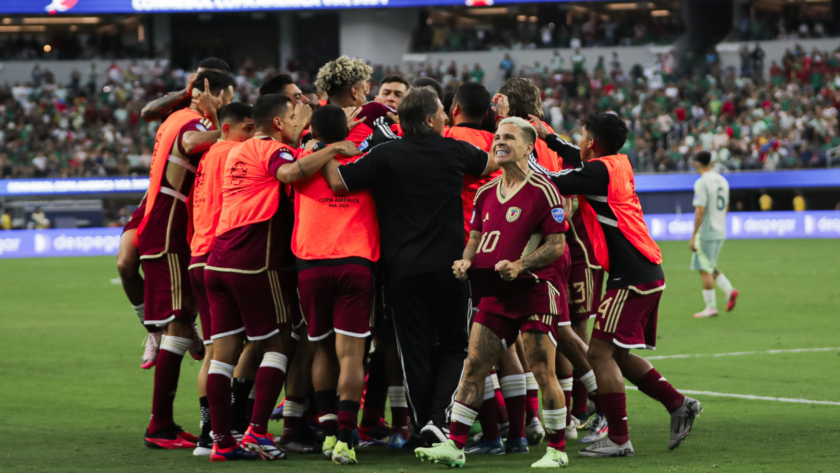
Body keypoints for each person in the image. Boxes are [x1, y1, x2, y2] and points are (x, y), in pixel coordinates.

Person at [321, 86, 496, 447]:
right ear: (431, 119)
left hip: (402, 271)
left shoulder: (386, 154)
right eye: (443, 114)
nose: (448, 118)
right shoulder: (454, 150)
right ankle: (439, 420)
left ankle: (423, 425)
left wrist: (324, 145)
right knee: (456, 346)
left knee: (412, 349)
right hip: (451, 268)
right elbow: (493, 163)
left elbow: (338, 182)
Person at [529, 112, 701, 457]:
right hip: (644, 270)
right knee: (616, 354)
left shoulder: (595, 171)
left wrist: (520, 151)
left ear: (591, 141)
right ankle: (678, 403)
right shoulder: (617, 163)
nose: (578, 140)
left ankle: (619, 439)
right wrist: (546, 135)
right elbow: (577, 160)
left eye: (581, 134)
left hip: (632, 277)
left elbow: (549, 179)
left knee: (598, 353)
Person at [203, 94, 355, 462]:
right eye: (292, 117)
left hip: (217, 260)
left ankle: (220, 441)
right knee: (279, 343)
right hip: (253, 259)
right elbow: (289, 173)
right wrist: (334, 146)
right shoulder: (272, 150)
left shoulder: (235, 151)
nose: (297, 122)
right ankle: (256, 432)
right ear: (276, 123)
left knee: (223, 355)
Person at [415, 117, 570, 468]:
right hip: (494, 293)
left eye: (509, 137)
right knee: (473, 366)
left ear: (529, 146)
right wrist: (466, 261)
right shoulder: (486, 192)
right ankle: (455, 445)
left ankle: (557, 451)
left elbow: (557, 245)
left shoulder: (544, 189)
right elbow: (475, 238)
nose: (499, 142)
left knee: (542, 370)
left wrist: (521, 265)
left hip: (534, 291)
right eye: (497, 137)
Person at [138, 70, 234, 450]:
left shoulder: (172, 115)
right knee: (178, 323)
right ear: (216, 92)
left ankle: (163, 423)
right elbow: (192, 141)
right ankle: (159, 426)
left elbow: (151, 114)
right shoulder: (192, 122)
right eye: (228, 95)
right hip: (170, 227)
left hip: (162, 222)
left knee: (181, 319)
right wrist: (224, 129)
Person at [122, 57, 230, 369]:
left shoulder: (220, 118)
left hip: (185, 204)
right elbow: (146, 113)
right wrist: (184, 93)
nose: (203, 89)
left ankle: (182, 328)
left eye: (211, 84)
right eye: (200, 82)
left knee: (186, 282)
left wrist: (219, 119)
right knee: (125, 264)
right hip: (153, 196)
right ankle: (153, 332)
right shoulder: (181, 107)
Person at [291, 105, 375, 464]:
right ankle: (345, 437)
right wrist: (343, 145)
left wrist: (317, 145)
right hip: (356, 261)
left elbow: (286, 175)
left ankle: (327, 435)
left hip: (310, 262)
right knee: (352, 354)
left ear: (312, 130)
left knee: (322, 349)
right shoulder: (367, 159)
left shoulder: (302, 158)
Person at [187, 102, 257, 455]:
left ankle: (207, 434)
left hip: (198, 257)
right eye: (247, 128)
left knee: (217, 350)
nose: (252, 134)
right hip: (222, 256)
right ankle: (227, 425)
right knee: (247, 344)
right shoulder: (236, 153)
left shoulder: (208, 156)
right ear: (226, 128)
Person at [690, 151, 738, 318]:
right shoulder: (722, 180)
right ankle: (728, 290)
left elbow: (700, 210)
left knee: (704, 269)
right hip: (720, 229)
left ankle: (711, 307)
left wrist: (694, 234)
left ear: (697, 164)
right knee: (709, 265)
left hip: (707, 232)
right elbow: (726, 205)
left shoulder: (702, 182)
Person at [140, 57, 230, 122]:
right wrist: (185, 92)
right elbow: (146, 113)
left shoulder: (230, 108)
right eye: (200, 76)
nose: (204, 81)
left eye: (211, 77)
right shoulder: (181, 100)